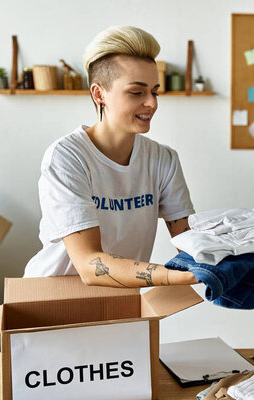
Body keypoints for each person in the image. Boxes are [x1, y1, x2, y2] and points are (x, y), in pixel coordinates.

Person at [24, 26, 197, 288]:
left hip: (120, 297)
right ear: (98, 94)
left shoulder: (163, 160)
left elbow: (189, 246)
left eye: (155, 91)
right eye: (137, 92)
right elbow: (89, 265)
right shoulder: (67, 157)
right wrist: (177, 276)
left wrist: (231, 255)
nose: (152, 103)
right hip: (50, 299)